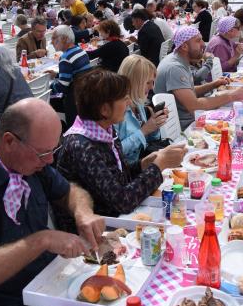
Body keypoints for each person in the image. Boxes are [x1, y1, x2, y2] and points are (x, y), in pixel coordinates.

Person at [0, 98, 105, 306]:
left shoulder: (34, 165)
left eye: (52, 151)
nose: (50, 161)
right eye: (43, 153)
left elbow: (71, 192)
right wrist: (41, 240)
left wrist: (83, 213)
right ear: (10, 141)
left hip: (50, 286)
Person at [55, 68, 185, 219]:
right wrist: (159, 166)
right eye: (124, 99)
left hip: (115, 218)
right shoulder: (82, 146)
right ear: (104, 109)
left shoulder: (105, 130)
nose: (129, 102)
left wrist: (143, 164)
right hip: (96, 229)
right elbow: (122, 201)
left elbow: (116, 177)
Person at [154, 25, 243, 129]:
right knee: (239, 123)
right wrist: (232, 95)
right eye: (198, 41)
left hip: (189, 118)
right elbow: (195, 106)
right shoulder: (174, 68)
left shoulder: (179, 60)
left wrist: (213, 84)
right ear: (184, 46)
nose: (203, 44)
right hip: (185, 126)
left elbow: (188, 91)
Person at [116, 55, 168, 165]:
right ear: (133, 82)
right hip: (127, 172)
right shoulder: (115, 109)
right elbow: (114, 152)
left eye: (152, 82)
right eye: (148, 83)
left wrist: (155, 123)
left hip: (142, 162)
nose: (152, 87)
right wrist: (144, 131)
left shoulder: (138, 100)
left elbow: (150, 140)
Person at [47, 25, 91, 128]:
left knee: (47, 101)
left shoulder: (65, 58)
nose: (51, 41)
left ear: (64, 39)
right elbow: (75, 73)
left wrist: (48, 87)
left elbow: (61, 87)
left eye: (54, 38)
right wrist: (57, 75)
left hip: (73, 101)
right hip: (85, 95)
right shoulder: (80, 51)